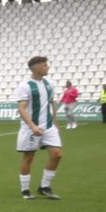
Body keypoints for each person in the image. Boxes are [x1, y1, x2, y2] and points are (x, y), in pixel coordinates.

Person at [17, 56, 63, 199]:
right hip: (31, 128)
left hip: (48, 127)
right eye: (44, 65)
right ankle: (25, 190)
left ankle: (44, 187)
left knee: (57, 154)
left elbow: (52, 103)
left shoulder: (50, 84)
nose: (47, 67)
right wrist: (32, 126)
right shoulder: (25, 85)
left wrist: (55, 123)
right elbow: (22, 109)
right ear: (35, 68)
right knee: (29, 158)